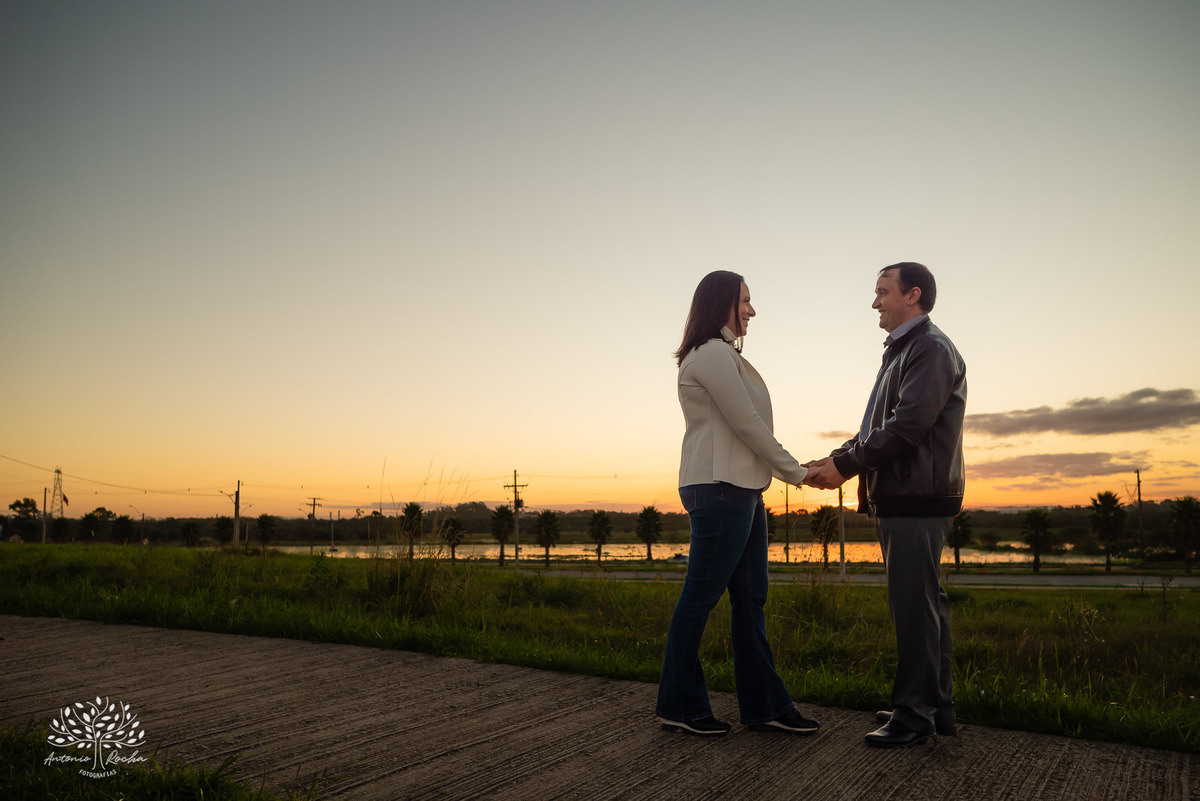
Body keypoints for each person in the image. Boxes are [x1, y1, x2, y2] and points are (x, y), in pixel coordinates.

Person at [804, 262, 966, 748]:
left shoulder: (930, 349)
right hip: (903, 495)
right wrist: (835, 459)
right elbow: (877, 429)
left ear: (912, 295)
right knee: (925, 605)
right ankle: (936, 708)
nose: (875, 302)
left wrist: (847, 467)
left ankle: (913, 715)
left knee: (913, 608)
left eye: (882, 291)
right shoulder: (902, 352)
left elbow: (909, 427)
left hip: (916, 497)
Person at [655, 270, 819, 737]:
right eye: (745, 300)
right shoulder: (710, 355)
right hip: (719, 488)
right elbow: (747, 423)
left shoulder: (724, 355)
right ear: (721, 303)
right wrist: (799, 473)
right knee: (700, 598)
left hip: (742, 489)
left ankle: (763, 706)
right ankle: (679, 706)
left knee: (750, 602)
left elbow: (746, 427)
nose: (751, 310)